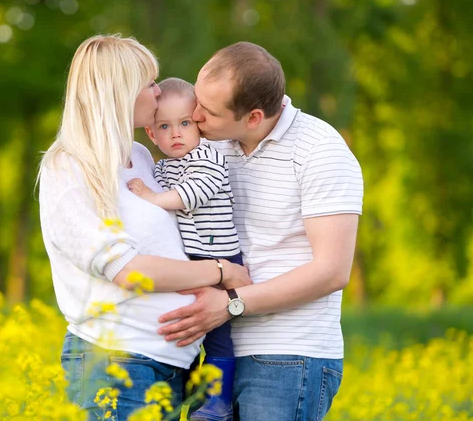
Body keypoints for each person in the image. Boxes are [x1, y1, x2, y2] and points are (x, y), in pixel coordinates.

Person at [37, 35, 251, 421]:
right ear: (120, 92)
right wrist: (222, 271)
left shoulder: (139, 157)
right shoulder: (67, 167)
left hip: (170, 367)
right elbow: (129, 270)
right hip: (118, 363)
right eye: (149, 84)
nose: (158, 91)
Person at [157, 42, 364, 421]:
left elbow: (332, 271)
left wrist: (232, 302)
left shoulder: (320, 150)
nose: (195, 114)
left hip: (287, 356)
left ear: (253, 117)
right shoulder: (215, 147)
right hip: (218, 349)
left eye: (208, 111)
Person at [127, 77, 241, 421]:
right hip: (190, 264)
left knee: (219, 336)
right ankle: (195, 393)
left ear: (199, 124)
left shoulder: (208, 158)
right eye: (165, 126)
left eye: (185, 123)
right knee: (189, 333)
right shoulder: (160, 167)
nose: (176, 133)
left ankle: (219, 401)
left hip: (219, 258)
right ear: (151, 134)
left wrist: (150, 197)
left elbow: (191, 194)